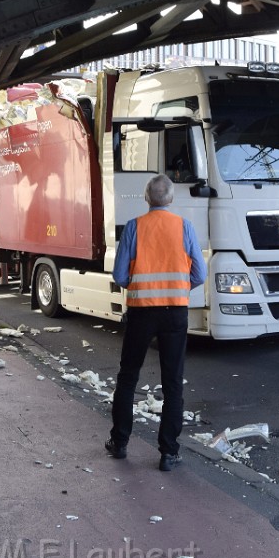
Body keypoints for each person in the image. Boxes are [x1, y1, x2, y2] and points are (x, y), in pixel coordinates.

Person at [105, 174, 207, 472]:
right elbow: (199, 274)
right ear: (171, 199)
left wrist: (142, 287)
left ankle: (120, 442)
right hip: (175, 312)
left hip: (142, 311)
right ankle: (168, 452)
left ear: (147, 198)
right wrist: (176, 289)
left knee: (128, 377)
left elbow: (120, 275)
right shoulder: (184, 227)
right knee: (173, 382)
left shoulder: (135, 227)